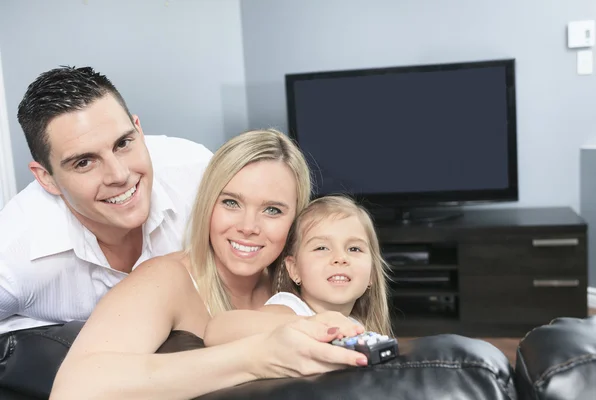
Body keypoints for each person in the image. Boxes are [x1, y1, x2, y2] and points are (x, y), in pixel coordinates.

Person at [50, 129, 370, 400]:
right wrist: (256, 358)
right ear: (208, 204)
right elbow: (73, 389)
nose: (248, 226)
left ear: (295, 223)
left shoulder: (296, 285)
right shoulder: (166, 280)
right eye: (231, 202)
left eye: (272, 210)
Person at [0, 66, 213, 334]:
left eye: (123, 143)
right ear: (47, 178)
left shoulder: (198, 175)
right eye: (84, 162)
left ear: (139, 129)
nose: (120, 175)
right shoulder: (14, 255)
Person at [204, 195, 393, 347]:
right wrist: (311, 324)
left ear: (372, 275)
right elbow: (217, 330)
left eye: (354, 249)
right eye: (321, 248)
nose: (340, 258)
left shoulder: (359, 329)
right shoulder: (290, 309)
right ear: (294, 270)